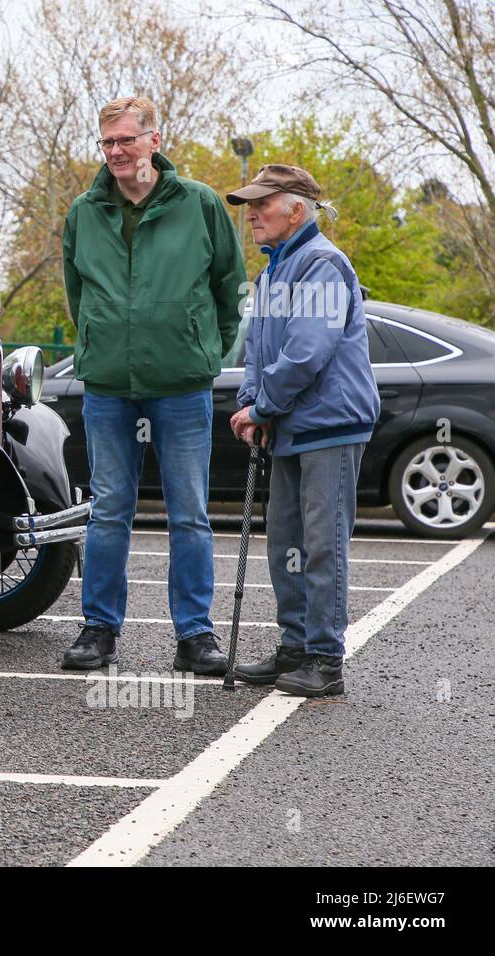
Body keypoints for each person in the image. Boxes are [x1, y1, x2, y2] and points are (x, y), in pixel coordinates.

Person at [61, 96, 247, 674]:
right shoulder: (83, 212)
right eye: (107, 143)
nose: (117, 152)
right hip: (109, 386)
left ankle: (195, 635)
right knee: (108, 509)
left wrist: (205, 353)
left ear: (153, 140)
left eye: (126, 140)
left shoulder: (201, 204)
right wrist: (99, 341)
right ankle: (98, 629)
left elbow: (230, 288)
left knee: (189, 511)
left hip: (182, 385)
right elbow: (78, 295)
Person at [226, 164, 380, 697]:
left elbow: (306, 352)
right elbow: (258, 351)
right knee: (286, 543)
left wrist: (262, 406)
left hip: (329, 426)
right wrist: (252, 400)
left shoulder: (322, 263)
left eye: (261, 204)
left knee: (322, 544)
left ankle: (325, 658)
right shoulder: (274, 270)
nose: (252, 214)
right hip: (292, 425)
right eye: (249, 204)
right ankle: (295, 646)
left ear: (296, 209)